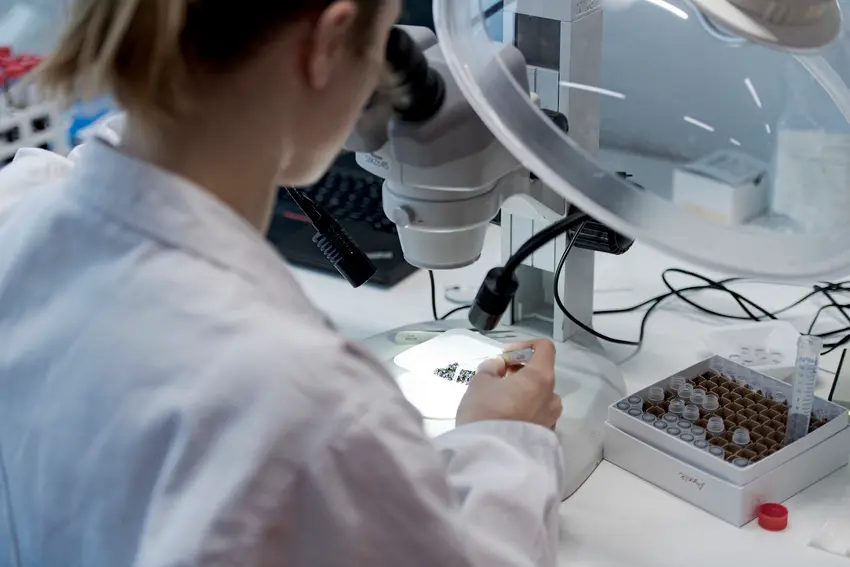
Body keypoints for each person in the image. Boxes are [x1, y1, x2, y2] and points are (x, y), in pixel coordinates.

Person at [0, 1, 566, 565]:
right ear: (329, 43)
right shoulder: (307, 406)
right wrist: (505, 439)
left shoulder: (20, 208)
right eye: (381, 44)